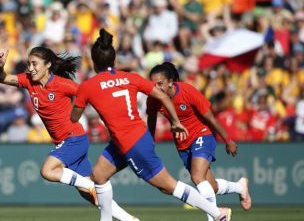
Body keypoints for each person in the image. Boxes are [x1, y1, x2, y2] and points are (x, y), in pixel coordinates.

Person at [71, 29, 232, 221]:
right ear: (114, 61)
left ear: (93, 62)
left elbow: (74, 118)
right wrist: (175, 121)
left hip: (131, 143)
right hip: (128, 139)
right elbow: (163, 95)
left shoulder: (88, 86)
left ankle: (217, 213)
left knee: (169, 186)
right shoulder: (130, 77)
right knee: (98, 176)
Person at [0, 47, 138, 221]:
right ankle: (129, 220)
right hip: (66, 142)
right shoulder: (27, 81)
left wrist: (114, 109)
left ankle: (88, 185)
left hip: (74, 139)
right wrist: (0, 67)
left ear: (48, 65)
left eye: (35, 64)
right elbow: (1, 78)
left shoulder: (62, 84)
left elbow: (88, 94)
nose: (30, 68)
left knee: (48, 170)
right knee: (90, 195)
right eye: (29, 64)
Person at [146, 62, 252, 221]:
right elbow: (152, 119)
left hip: (203, 133)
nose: (156, 87)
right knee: (211, 186)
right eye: (153, 84)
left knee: (197, 177)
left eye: (160, 84)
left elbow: (211, 118)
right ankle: (239, 187)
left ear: (170, 82)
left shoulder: (188, 91)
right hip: (183, 143)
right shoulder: (153, 99)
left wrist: (228, 140)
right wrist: (149, 142)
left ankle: (216, 217)